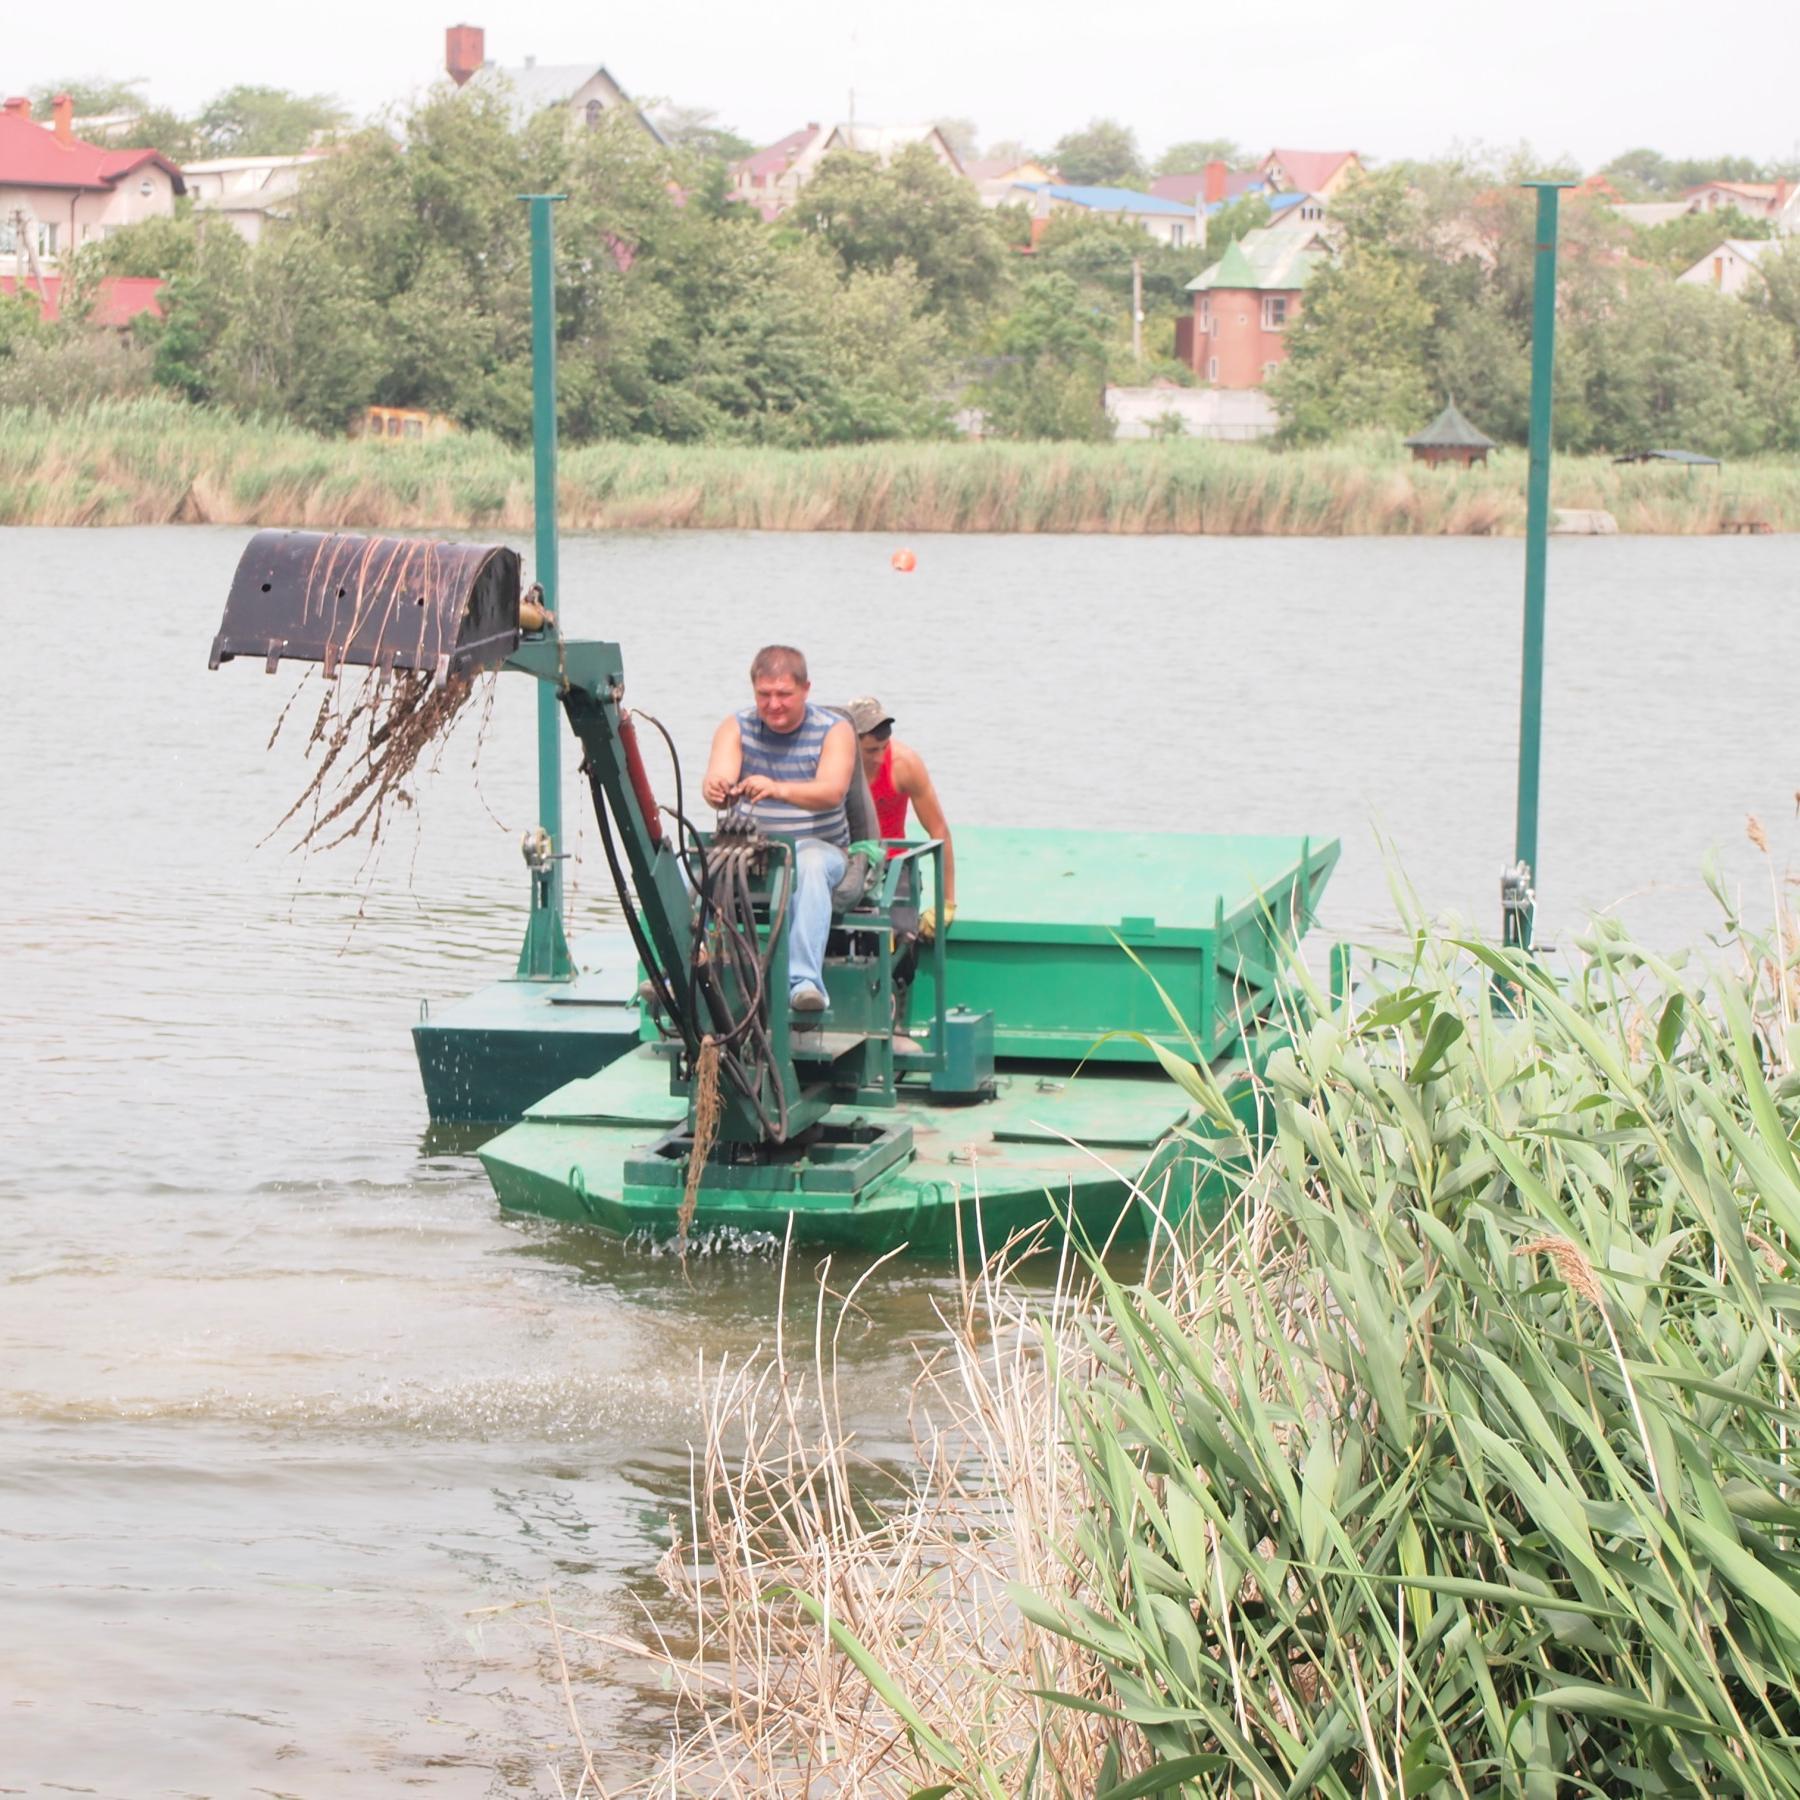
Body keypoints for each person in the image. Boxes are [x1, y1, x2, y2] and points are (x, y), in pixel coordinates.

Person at [702, 645, 854, 1012]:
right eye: (764, 695)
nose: (773, 705)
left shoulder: (834, 730)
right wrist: (716, 789)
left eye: (784, 694)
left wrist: (778, 789)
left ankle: (803, 983)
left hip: (819, 846)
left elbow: (832, 792)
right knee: (683, 868)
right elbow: (717, 777)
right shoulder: (736, 726)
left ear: (805, 689)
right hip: (752, 850)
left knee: (810, 863)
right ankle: (679, 973)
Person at [844, 696, 956, 939]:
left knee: (900, 935)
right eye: (871, 750)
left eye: (884, 747)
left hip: (893, 863)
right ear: (850, 744)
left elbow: (939, 831)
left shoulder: (905, 764)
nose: (880, 757)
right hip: (848, 860)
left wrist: (946, 903)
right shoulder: (833, 765)